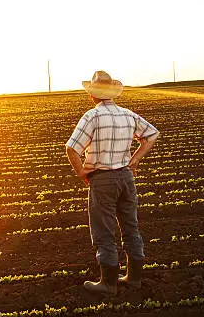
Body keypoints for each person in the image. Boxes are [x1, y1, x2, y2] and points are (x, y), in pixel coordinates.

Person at [65, 70, 159, 296]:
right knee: (130, 227)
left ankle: (108, 283)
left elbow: (71, 148)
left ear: (92, 95)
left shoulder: (91, 117)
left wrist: (82, 173)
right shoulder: (127, 115)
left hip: (103, 180)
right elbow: (152, 135)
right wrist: (134, 161)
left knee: (104, 230)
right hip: (126, 178)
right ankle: (134, 278)